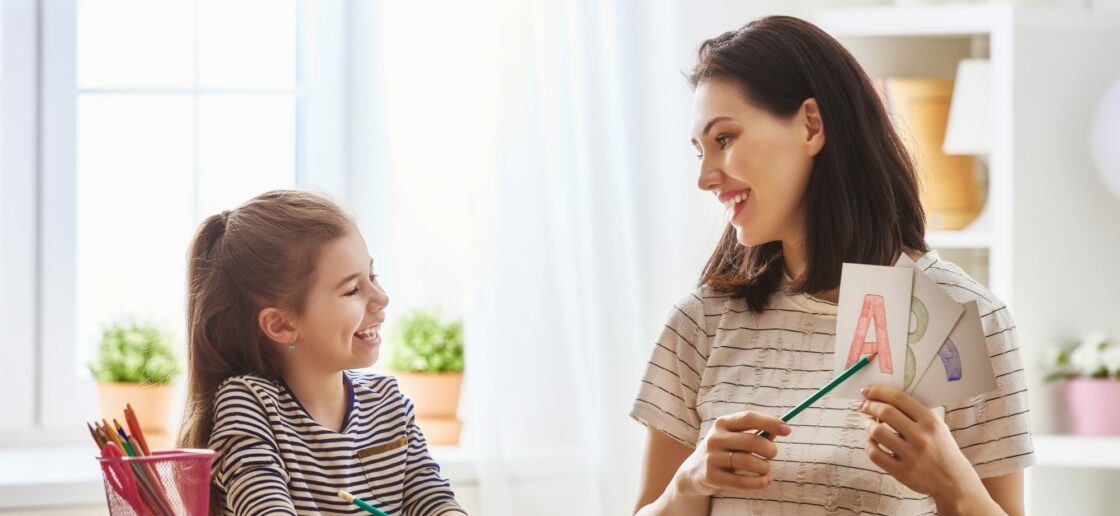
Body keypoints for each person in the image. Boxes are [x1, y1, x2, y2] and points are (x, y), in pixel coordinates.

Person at [632, 16, 1033, 516]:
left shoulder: (966, 319)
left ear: (811, 125)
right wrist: (686, 486)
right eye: (699, 152)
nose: (706, 178)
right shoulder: (701, 323)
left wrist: (955, 487)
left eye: (725, 139)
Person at [178, 189, 467, 516]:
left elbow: (433, 499)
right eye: (352, 289)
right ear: (281, 324)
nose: (381, 298)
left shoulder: (389, 403)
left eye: (372, 276)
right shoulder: (248, 404)